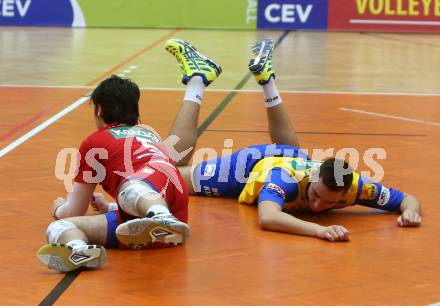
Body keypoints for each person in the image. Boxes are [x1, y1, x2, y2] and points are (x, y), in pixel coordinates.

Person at [96, 38, 422, 243]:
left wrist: (411, 213)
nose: (322, 207)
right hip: (249, 168)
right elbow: (269, 217)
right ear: (311, 177)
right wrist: (320, 230)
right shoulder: (284, 180)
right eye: (320, 197)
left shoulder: (350, 186)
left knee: (292, 152)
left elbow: (407, 199)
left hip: (287, 154)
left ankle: (267, 81)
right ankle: (198, 77)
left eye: (333, 203)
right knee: (167, 167)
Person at [36, 39, 222, 272]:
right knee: (60, 229)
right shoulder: (146, 133)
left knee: (117, 194)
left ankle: (161, 217)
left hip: (149, 192)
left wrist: (58, 209)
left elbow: (74, 209)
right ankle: (79, 249)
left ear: (100, 110)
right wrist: (111, 208)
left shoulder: (95, 142)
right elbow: (175, 158)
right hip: (162, 204)